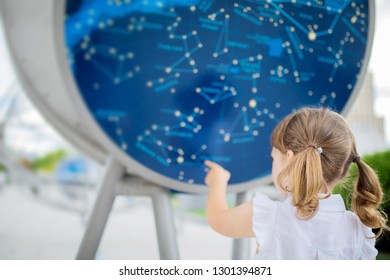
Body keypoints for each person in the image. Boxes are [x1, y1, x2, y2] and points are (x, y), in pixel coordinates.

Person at [204, 107, 389, 259]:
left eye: (274, 158)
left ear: (290, 160)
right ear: (342, 171)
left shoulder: (269, 216)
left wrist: (218, 182)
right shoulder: (360, 231)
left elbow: (217, 219)